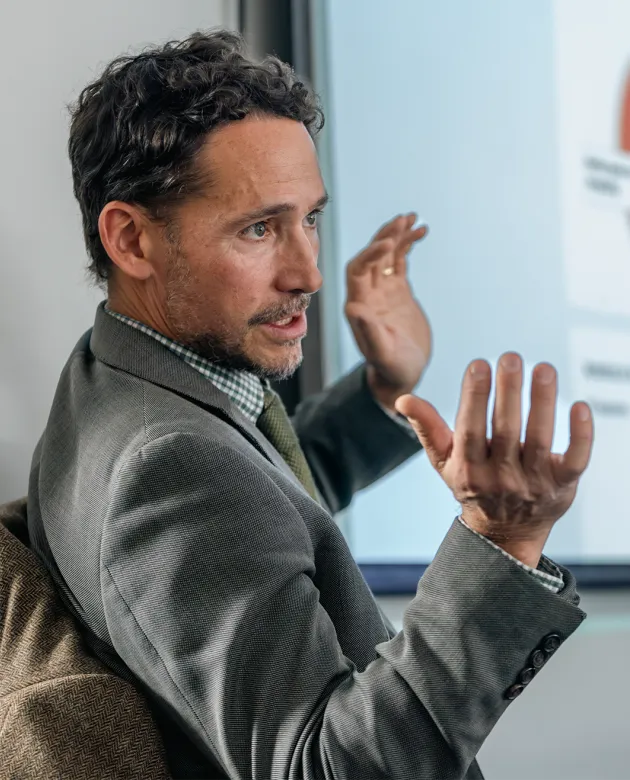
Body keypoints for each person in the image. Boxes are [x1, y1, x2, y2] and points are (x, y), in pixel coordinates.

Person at [26, 30, 593, 779]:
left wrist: (385, 385)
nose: (308, 273)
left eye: (310, 219)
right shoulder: (167, 468)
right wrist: (500, 544)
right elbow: (324, 768)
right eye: (259, 228)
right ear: (132, 239)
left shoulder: (115, 377)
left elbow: (252, 514)